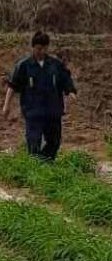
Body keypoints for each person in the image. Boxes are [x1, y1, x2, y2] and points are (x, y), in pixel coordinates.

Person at [3, 31, 77, 162]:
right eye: (38, 48)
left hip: (52, 110)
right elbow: (13, 86)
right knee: (33, 142)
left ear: (47, 47)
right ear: (33, 47)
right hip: (33, 111)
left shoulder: (55, 65)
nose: (41, 51)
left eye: (44, 48)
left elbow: (65, 80)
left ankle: (45, 164)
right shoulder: (24, 65)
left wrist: (70, 91)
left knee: (54, 142)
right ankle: (35, 167)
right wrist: (6, 106)